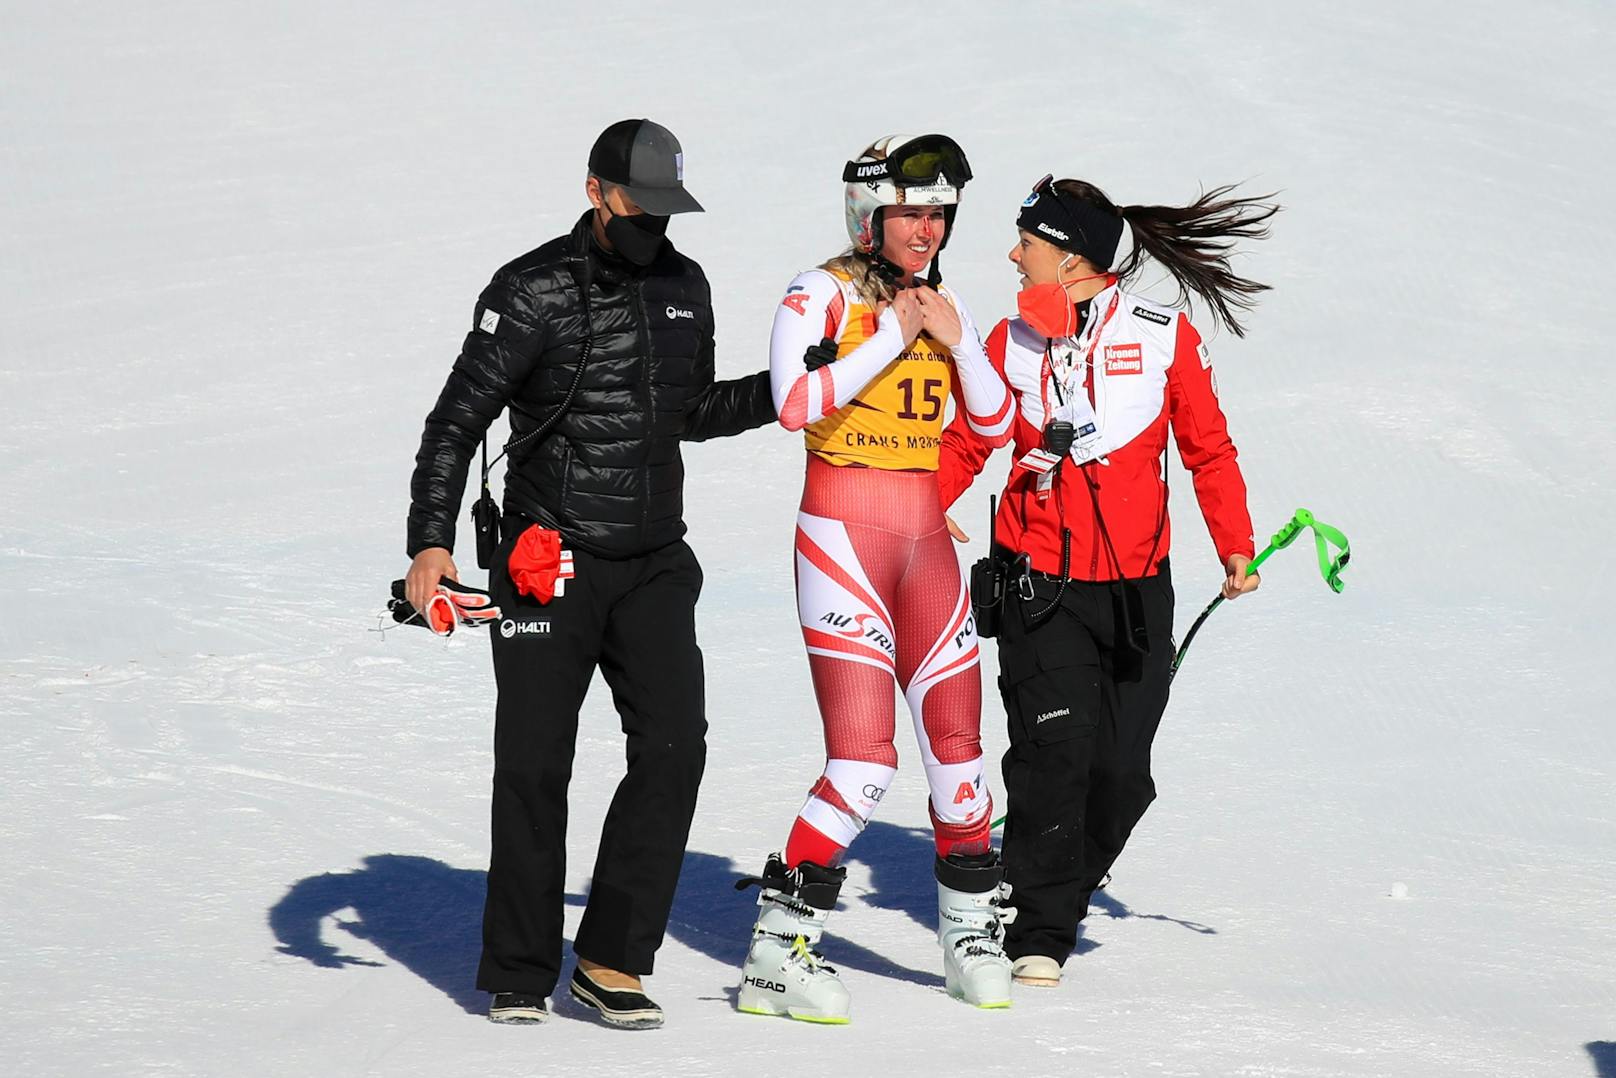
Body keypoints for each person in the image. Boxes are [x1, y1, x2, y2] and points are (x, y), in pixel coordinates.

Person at [403, 118, 777, 1028]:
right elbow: (456, 421)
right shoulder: (532, 290)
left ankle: (611, 957)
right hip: (546, 559)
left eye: (665, 208)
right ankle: (522, 971)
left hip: (653, 559)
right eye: (637, 204)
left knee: (675, 748)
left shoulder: (687, 286)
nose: (653, 223)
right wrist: (430, 544)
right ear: (595, 191)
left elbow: (691, 411)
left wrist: (789, 392)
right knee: (535, 763)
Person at [936, 174, 1277, 988]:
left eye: (1030, 244)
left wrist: (1235, 544)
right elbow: (967, 437)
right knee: (1055, 752)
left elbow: (1208, 448)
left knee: (1121, 774)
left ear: (1074, 258)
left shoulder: (1163, 335)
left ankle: (1062, 881)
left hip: (1135, 591)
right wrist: (924, 502)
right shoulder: (1007, 342)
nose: (1014, 256)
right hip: (1037, 586)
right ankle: (1039, 928)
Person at [734, 134, 1016, 1023]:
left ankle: (969, 931)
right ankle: (777, 951)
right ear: (869, 213)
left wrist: (957, 338)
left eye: (938, 213)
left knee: (961, 765)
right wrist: (892, 337)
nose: (927, 229)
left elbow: (996, 416)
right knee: (862, 763)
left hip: (926, 542)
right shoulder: (818, 290)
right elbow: (792, 403)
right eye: (910, 212)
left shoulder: (941, 298)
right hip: (843, 541)